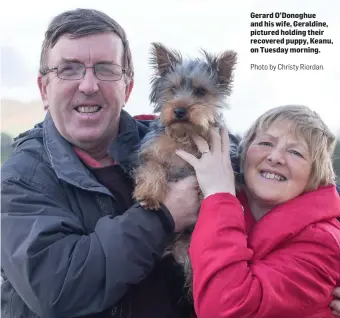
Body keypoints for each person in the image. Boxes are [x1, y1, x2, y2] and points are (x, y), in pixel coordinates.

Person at [1, 8, 200, 318]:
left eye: (106, 69)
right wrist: (163, 216)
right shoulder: (21, 179)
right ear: (44, 89)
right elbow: (60, 288)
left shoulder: (165, 141)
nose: (89, 85)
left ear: (128, 88)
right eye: (69, 69)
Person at [176, 105, 340, 317]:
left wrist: (218, 195)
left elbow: (225, 309)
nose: (275, 157)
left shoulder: (324, 241)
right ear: (243, 154)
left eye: (295, 152)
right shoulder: (202, 207)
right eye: (265, 143)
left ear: (315, 174)